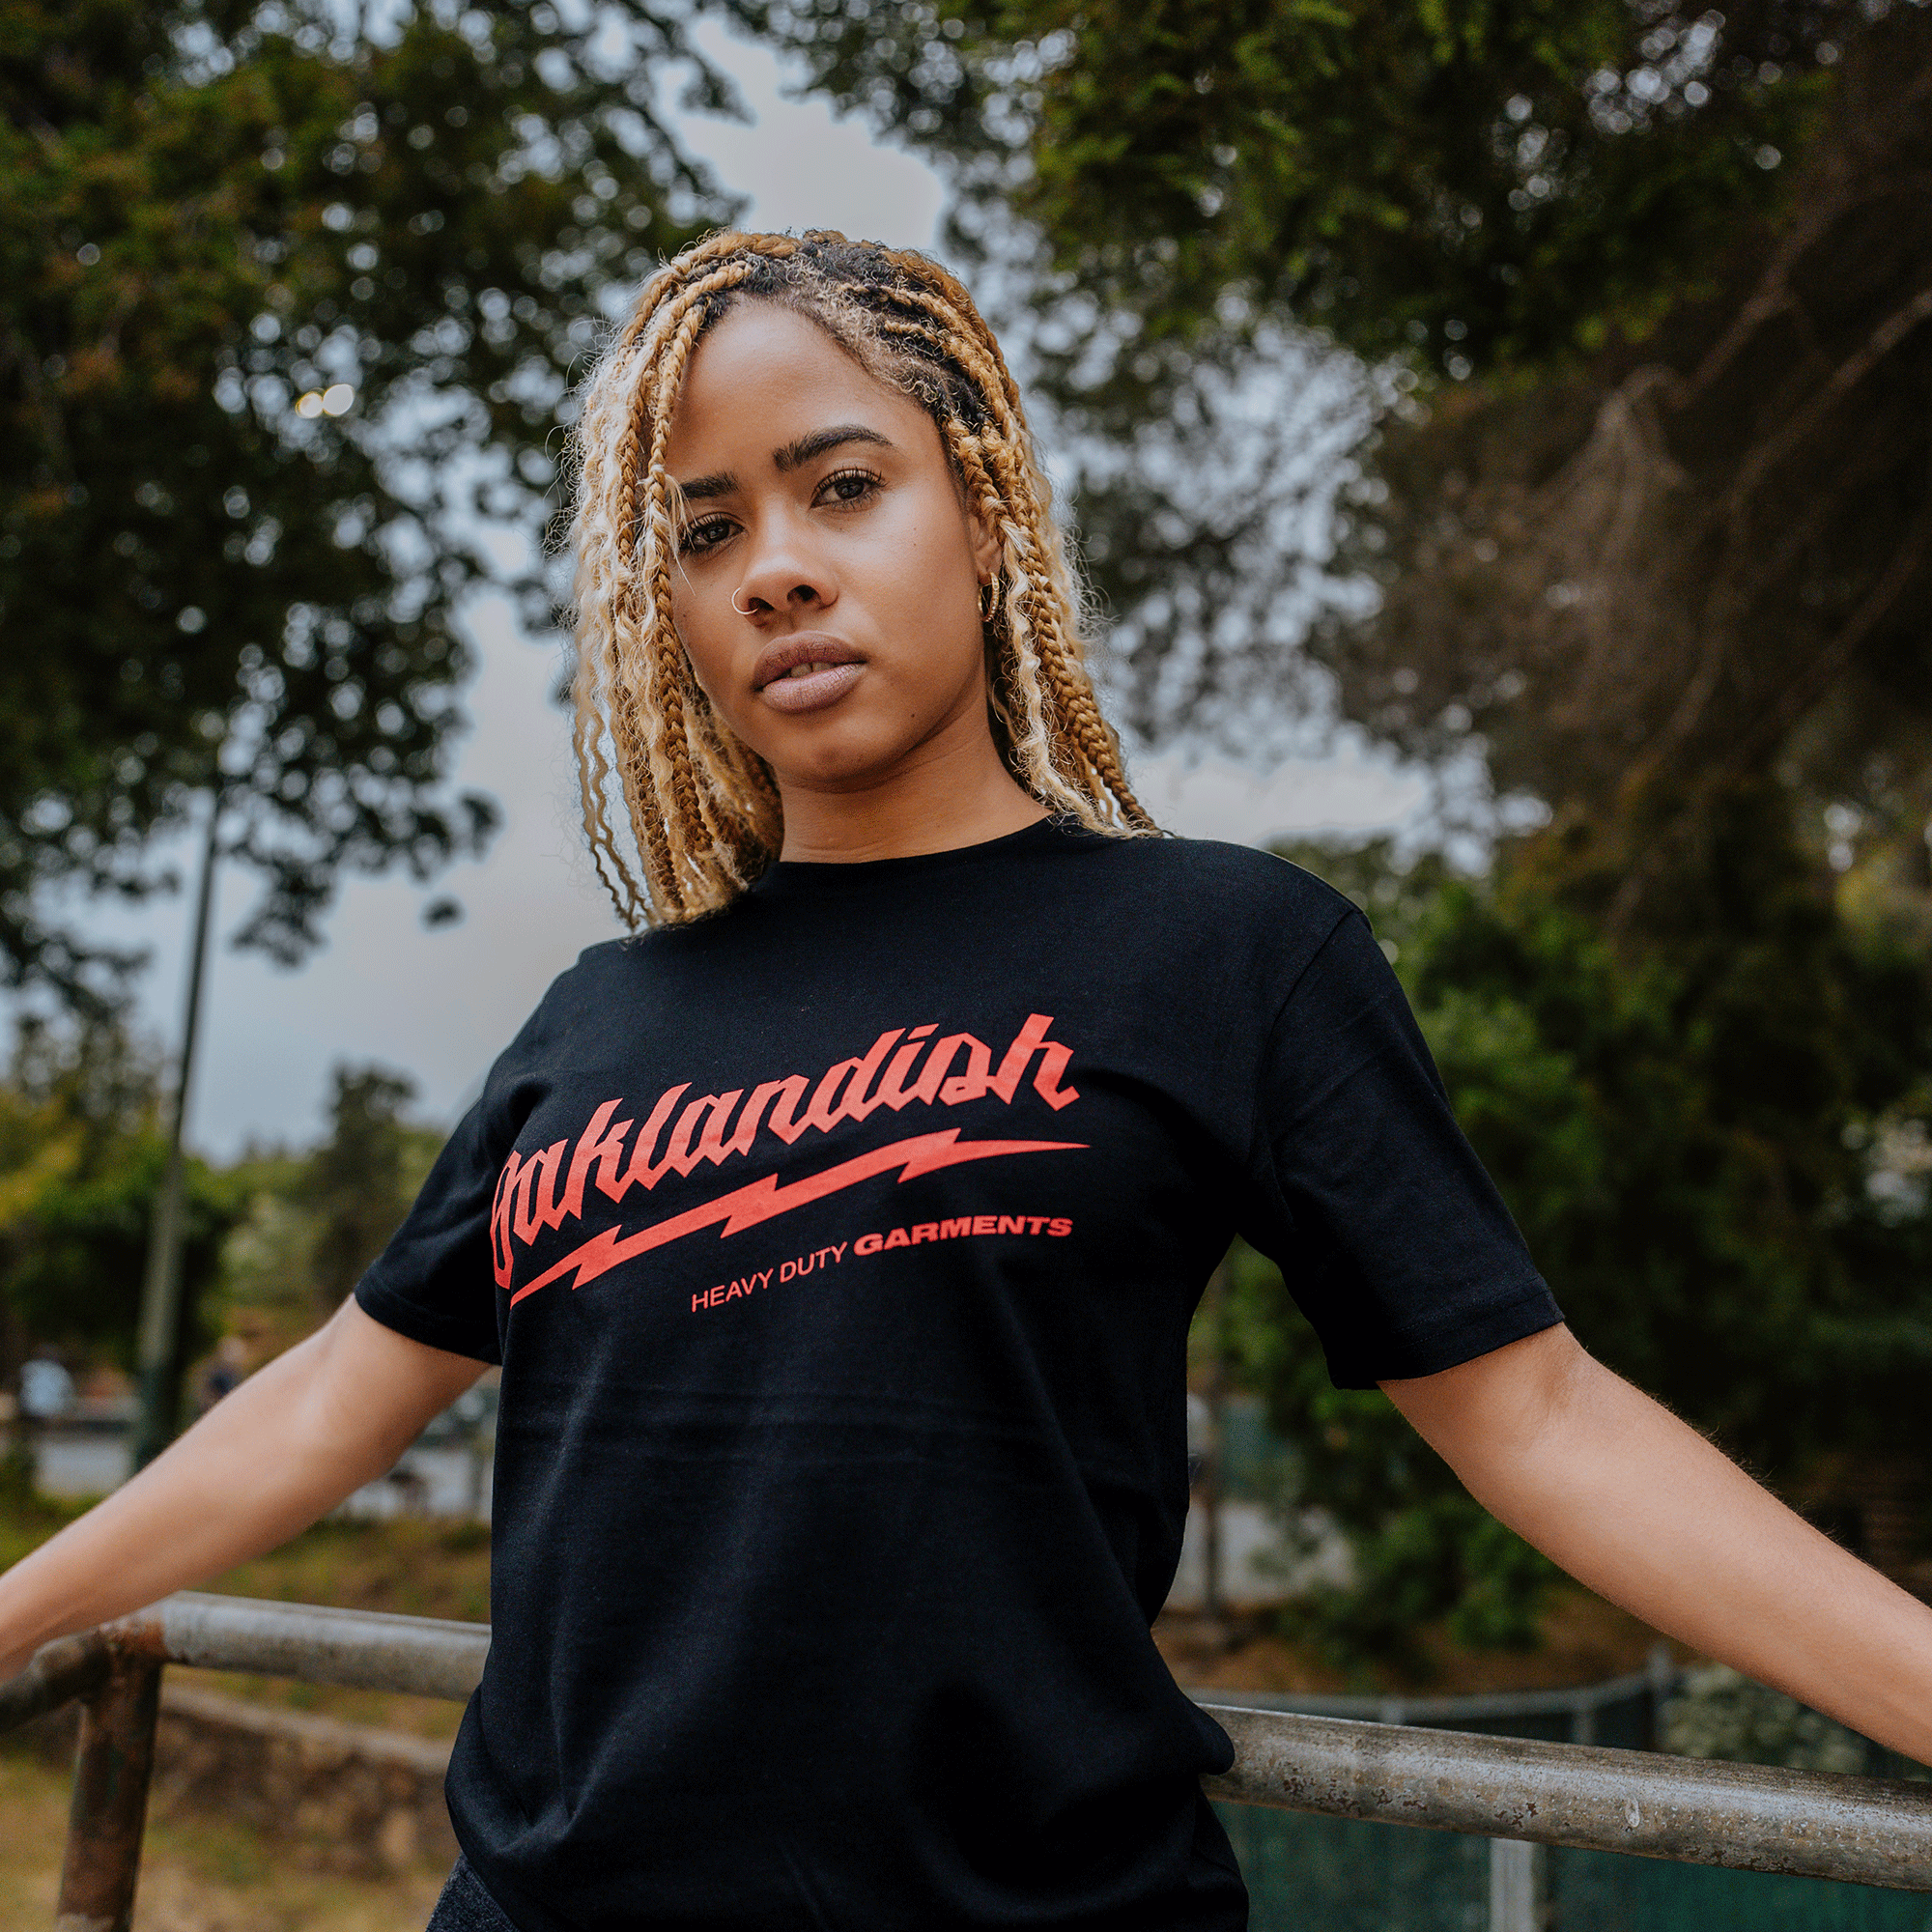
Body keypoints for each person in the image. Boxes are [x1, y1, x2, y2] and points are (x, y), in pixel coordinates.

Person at [1, 230, 1929, 1932]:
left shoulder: (1226, 954)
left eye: (843, 486)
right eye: (706, 527)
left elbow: (1535, 1409)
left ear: (987, 514)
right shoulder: (595, 1023)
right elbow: (339, 1390)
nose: (775, 571)